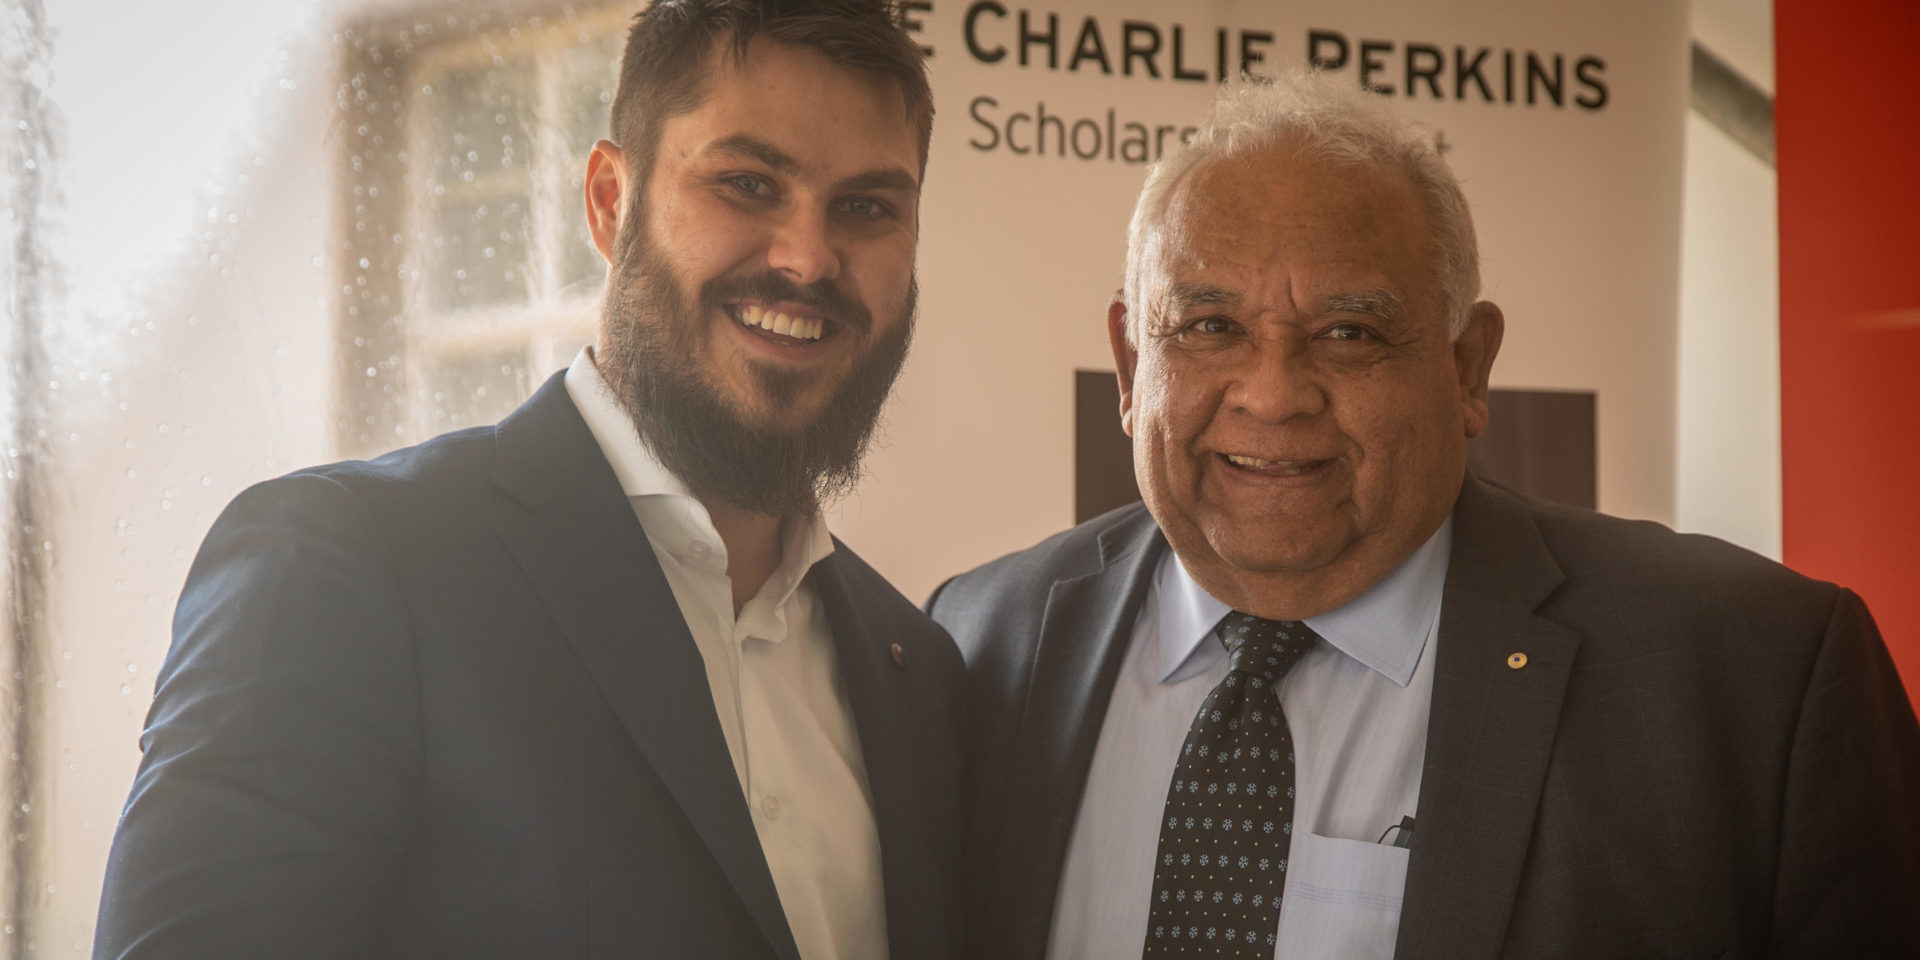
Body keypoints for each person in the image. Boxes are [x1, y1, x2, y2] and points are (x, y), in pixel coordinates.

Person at [929, 72, 1920, 960]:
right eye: (1209, 327)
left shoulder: (1757, 677)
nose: (1273, 396)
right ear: (1132, 365)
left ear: (1467, 368)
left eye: (1349, 333)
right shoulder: (978, 641)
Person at [93, 2, 962, 958]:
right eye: (748, 183)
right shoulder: (344, 568)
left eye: (868, 208)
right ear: (608, 201)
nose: (807, 257)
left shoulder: (919, 671)